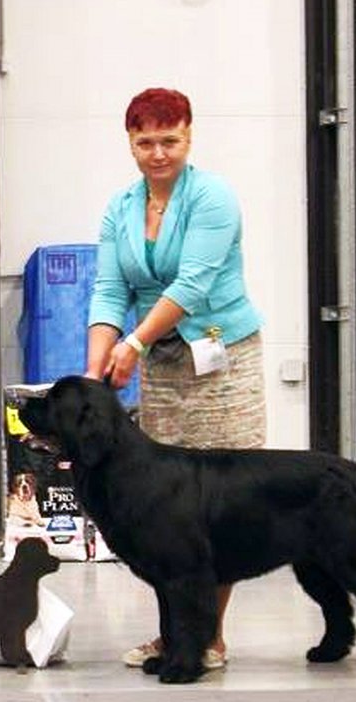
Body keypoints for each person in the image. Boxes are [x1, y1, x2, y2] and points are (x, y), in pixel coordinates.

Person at [86, 88, 265, 671]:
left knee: (221, 502)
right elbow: (110, 290)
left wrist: (133, 344)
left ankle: (208, 637)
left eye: (170, 139)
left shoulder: (213, 197)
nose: (158, 153)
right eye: (145, 142)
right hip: (163, 364)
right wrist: (95, 369)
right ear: (130, 143)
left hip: (221, 358)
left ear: (190, 135)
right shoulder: (120, 206)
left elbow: (191, 285)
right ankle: (173, 635)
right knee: (166, 508)